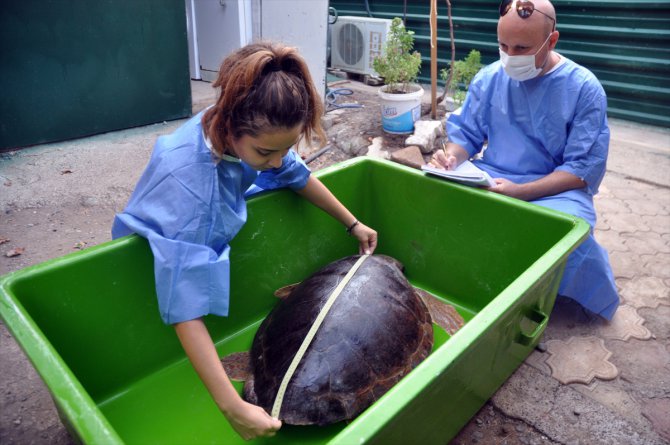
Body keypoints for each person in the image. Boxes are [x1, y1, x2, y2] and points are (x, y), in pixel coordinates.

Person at [112, 41, 378, 440]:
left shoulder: (242, 131)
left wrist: (351, 222)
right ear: (230, 125)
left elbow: (293, 173)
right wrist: (232, 407)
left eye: (286, 147)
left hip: (201, 219)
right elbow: (184, 306)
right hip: (159, 250)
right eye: (266, 151)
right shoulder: (192, 190)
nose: (278, 160)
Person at [431, 0, 619, 320]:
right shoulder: (490, 77)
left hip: (556, 189)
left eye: (522, 47)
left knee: (570, 233)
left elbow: (581, 170)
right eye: (503, 45)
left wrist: (523, 191)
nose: (510, 56)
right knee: (444, 204)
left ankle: (557, 296)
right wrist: (451, 158)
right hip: (493, 174)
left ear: (552, 40)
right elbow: (466, 136)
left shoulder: (584, 89)